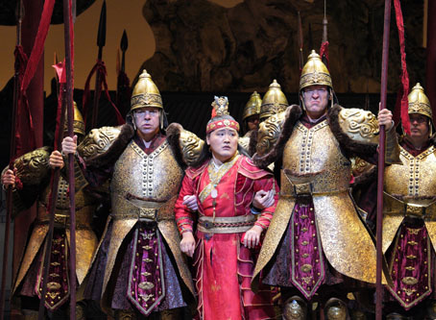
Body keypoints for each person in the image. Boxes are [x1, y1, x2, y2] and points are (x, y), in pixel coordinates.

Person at [251, 50, 398, 319]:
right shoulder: (284, 126)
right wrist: (256, 204)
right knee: (292, 306)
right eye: (309, 90)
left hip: (335, 218)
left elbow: (386, 158)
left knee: (335, 308)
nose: (315, 95)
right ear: (302, 95)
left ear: (330, 93)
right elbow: (258, 165)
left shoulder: (344, 124)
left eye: (320, 89)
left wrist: (387, 131)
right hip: (291, 217)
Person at [60, 70, 204, 319]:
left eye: (153, 111)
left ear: (162, 115)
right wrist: (69, 157)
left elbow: (206, 178)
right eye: (141, 111)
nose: (147, 116)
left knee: (170, 308)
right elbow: (88, 181)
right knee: (123, 308)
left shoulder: (179, 144)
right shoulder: (117, 144)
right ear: (132, 116)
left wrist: (197, 198)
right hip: (124, 234)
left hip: (167, 232)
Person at [360, 83, 436, 319]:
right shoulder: (389, 151)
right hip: (394, 237)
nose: (415, 123)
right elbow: (366, 191)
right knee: (392, 309)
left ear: (430, 123)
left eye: (421, 119)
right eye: (411, 118)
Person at [175, 96, 278, 320]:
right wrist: (186, 233)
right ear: (208, 139)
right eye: (220, 134)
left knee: (247, 306)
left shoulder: (251, 168)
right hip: (208, 249)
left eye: (232, 134)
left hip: (241, 249)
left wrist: (257, 228)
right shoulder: (195, 173)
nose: (227, 139)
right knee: (212, 305)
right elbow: (181, 206)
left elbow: (274, 201)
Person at [1, 103, 101, 318]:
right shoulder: (44, 160)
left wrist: (73, 163)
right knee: (32, 299)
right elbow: (22, 197)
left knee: (80, 302)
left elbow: (103, 193)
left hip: (79, 238)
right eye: (65, 135)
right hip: (43, 238)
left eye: (75, 136)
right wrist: (10, 184)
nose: (70, 139)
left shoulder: (93, 165)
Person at [238, 91, 262, 156]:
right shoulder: (240, 142)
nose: (256, 122)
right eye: (252, 119)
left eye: (259, 119)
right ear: (246, 123)